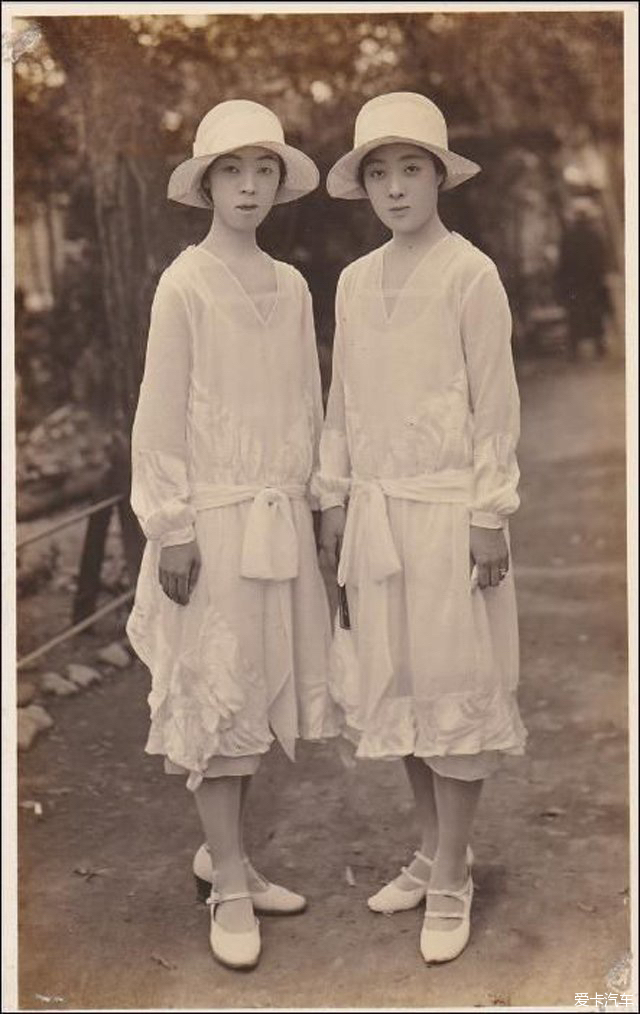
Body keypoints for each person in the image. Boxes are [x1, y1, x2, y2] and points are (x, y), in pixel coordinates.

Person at [126, 100, 338, 970]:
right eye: (231, 172)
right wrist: (171, 526)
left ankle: (229, 857)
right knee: (216, 695)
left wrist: (321, 505)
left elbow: (308, 404)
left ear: (278, 185)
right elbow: (160, 413)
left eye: (262, 172)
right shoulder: (184, 283)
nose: (248, 187)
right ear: (206, 184)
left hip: (278, 517)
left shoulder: (289, 286)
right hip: (209, 519)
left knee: (256, 688)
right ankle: (230, 884)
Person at [315, 92, 527, 964]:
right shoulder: (356, 281)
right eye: (379, 172)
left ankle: (452, 878)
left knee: (453, 686)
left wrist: (488, 515)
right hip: (376, 514)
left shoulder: (470, 272)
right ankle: (435, 847)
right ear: (363, 185)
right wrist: (332, 501)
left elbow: (496, 406)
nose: (395, 189)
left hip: (448, 512)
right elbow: (343, 402)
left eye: (411, 169)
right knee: (397, 689)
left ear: (440, 176)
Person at [557, 197, 610, 359]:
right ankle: (596, 346)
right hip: (588, 280)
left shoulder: (570, 237)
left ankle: (578, 348)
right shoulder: (593, 236)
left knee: (579, 313)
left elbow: (564, 262)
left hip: (578, 281)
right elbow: (601, 259)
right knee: (591, 313)